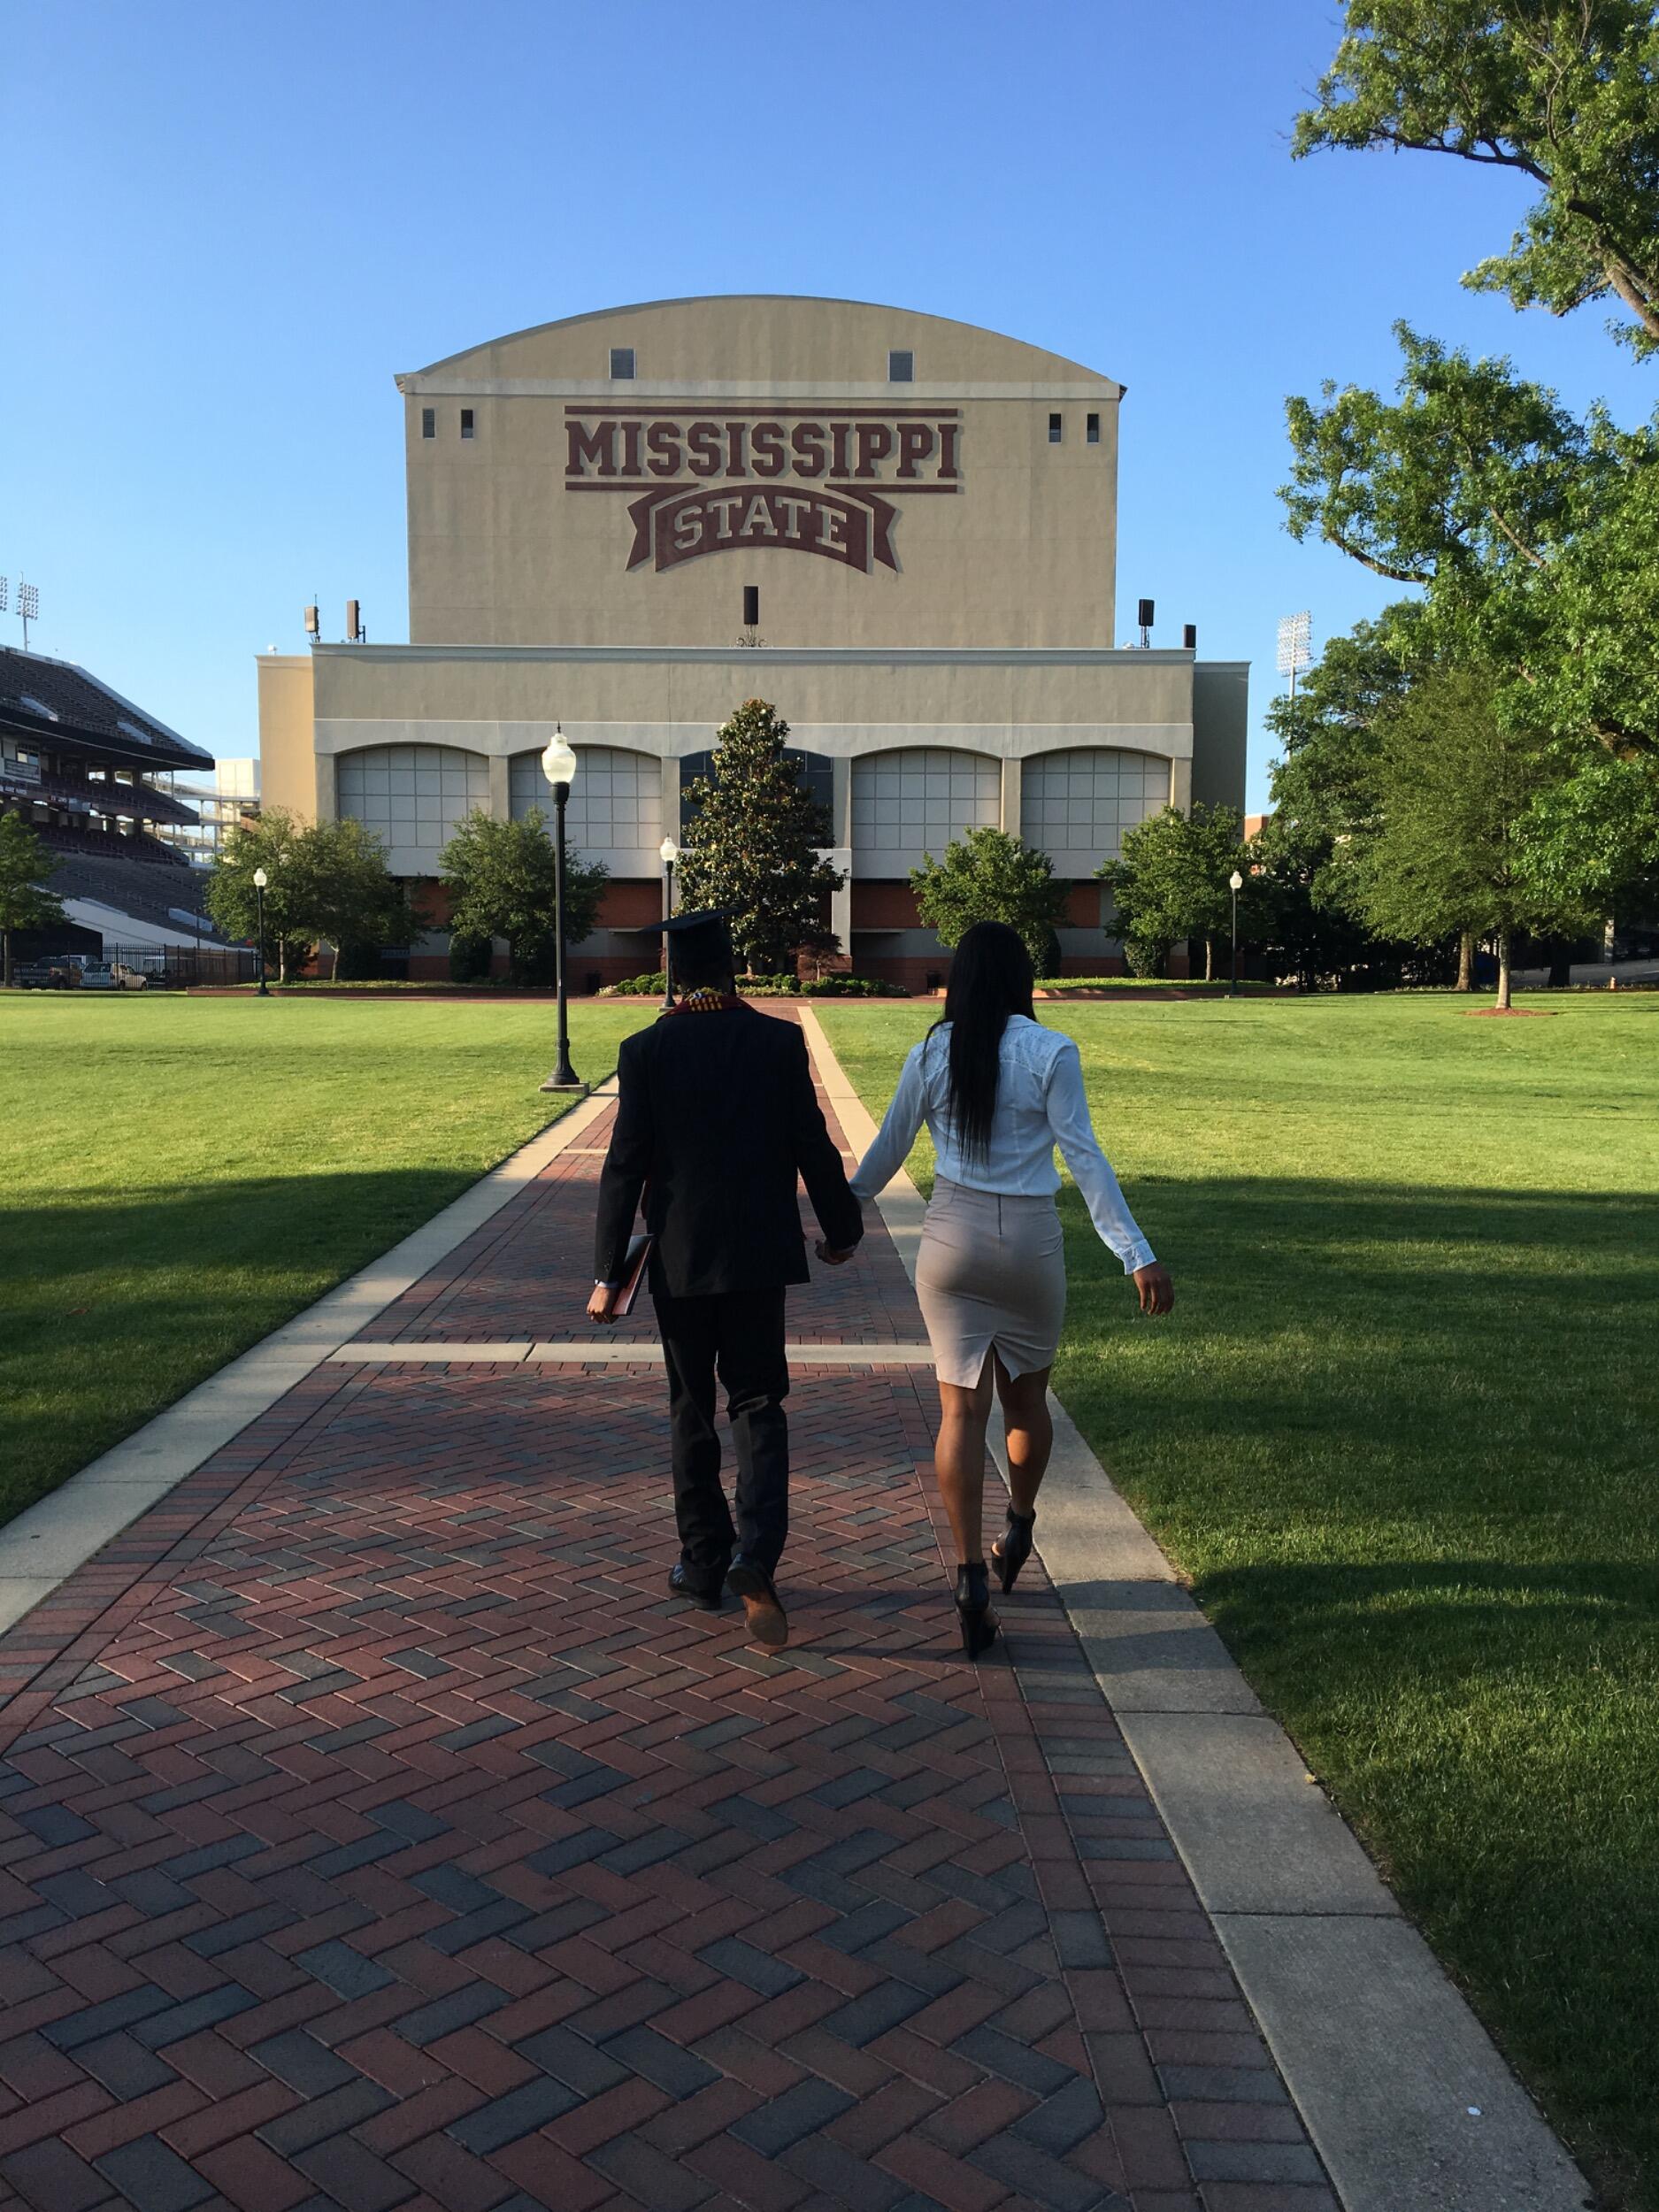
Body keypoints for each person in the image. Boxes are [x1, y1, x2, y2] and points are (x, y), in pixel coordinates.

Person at [849, 921, 1173, 1658]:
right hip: (1029, 1239)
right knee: (1024, 1400)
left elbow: (885, 1150)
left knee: (960, 1412)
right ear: (1023, 977)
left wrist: (839, 1220)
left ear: (958, 979)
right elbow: (1083, 1158)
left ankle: (966, 1574)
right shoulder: (1050, 1051)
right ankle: (1018, 1524)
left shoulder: (933, 1050)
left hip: (952, 1238)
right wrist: (1136, 1254)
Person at [589, 910, 863, 1649]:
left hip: (678, 1259)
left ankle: (702, 1562)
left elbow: (624, 1164)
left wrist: (607, 1270)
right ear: (733, 965)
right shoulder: (778, 1042)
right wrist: (843, 1230)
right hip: (758, 1256)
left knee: (690, 1408)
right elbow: (813, 1144)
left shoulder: (644, 1051)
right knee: (758, 1402)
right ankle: (756, 1554)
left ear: (671, 969)